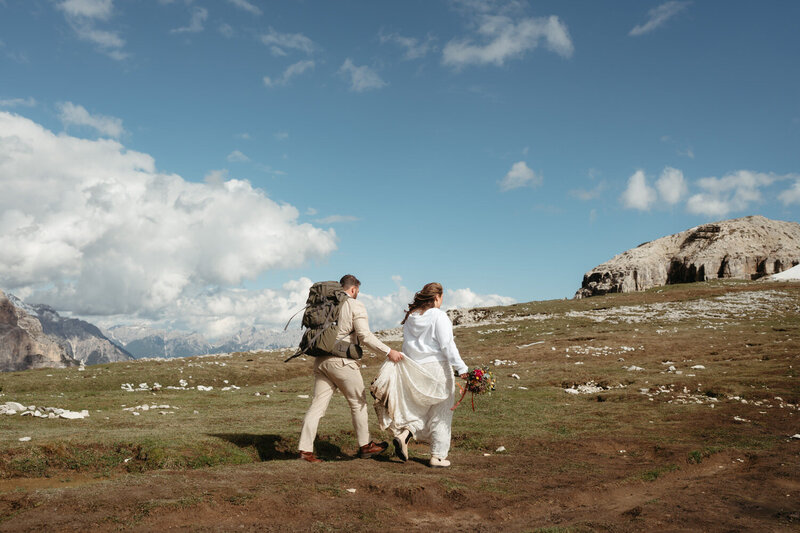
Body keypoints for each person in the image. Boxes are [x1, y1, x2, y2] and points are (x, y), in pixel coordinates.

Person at [298, 274, 404, 463]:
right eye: (357, 291)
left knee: (317, 407)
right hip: (342, 363)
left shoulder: (326, 304)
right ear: (354, 289)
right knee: (358, 403)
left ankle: (305, 451)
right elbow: (364, 335)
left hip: (321, 361)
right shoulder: (355, 305)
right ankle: (365, 446)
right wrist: (389, 351)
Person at [377, 282, 468, 468]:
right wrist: (462, 368)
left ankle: (404, 435)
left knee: (419, 408)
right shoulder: (439, 316)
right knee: (442, 411)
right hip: (437, 368)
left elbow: (407, 346)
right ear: (436, 298)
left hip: (415, 368)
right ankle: (438, 456)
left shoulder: (411, 317)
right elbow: (447, 345)